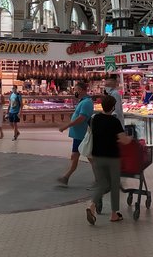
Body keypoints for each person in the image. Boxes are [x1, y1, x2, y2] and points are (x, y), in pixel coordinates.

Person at [85, 94, 132, 225]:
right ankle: (113, 214)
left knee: (102, 183)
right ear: (112, 108)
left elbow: (90, 133)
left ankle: (92, 206)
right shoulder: (114, 121)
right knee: (114, 185)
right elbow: (123, 139)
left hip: (97, 155)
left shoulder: (94, 119)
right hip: (112, 157)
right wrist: (130, 139)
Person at [57, 81, 94, 187]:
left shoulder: (86, 102)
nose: (75, 92)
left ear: (81, 90)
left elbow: (81, 118)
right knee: (76, 155)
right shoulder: (83, 101)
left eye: (76, 90)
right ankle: (66, 177)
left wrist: (67, 125)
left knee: (88, 157)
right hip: (78, 134)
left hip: (81, 134)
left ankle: (100, 179)